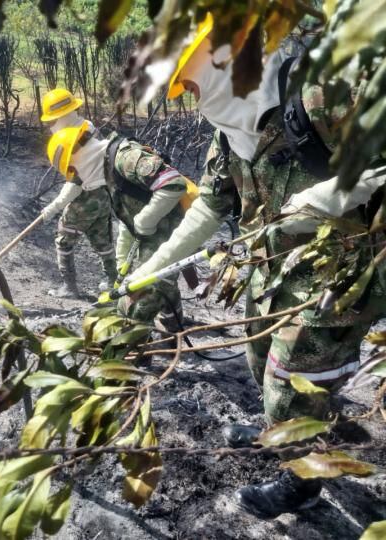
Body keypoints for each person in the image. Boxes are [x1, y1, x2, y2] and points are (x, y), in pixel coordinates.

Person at [124, 13, 386, 518]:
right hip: (274, 272)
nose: (194, 97)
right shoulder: (231, 134)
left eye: (193, 81)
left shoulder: (323, 91)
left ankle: (302, 481)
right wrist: (151, 268)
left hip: (340, 274)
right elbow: (208, 207)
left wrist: (332, 195)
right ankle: (280, 431)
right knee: (259, 357)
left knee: (292, 380)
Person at [42, 88, 195, 323]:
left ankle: (134, 349)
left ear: (79, 158)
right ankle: (174, 330)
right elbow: (128, 217)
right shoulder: (108, 170)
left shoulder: (123, 158)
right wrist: (126, 254)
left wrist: (145, 221)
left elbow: (174, 184)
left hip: (174, 228)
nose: (77, 177)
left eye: (75, 170)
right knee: (162, 281)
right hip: (160, 232)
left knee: (140, 299)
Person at [39, 89, 117, 298]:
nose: (50, 126)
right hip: (104, 196)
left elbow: (75, 184)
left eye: (52, 121)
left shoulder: (75, 145)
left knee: (64, 240)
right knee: (101, 240)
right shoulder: (89, 129)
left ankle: (69, 287)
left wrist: (53, 207)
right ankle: (112, 281)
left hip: (86, 198)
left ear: (60, 117)